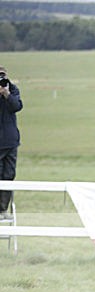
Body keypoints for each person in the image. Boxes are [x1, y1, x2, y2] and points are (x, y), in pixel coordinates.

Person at [0, 66, 22, 220]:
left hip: (11, 140)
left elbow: (17, 106)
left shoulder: (12, 89)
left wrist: (6, 94)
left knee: (9, 175)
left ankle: (3, 209)